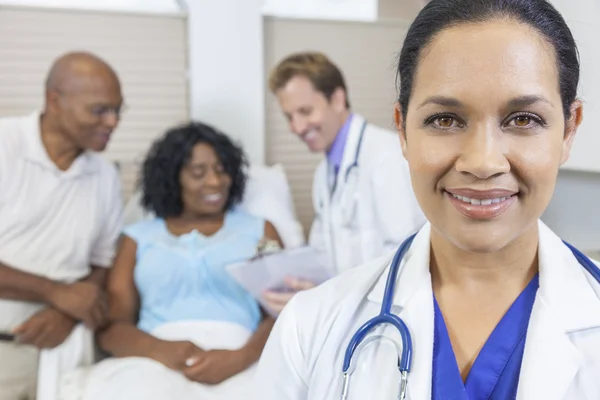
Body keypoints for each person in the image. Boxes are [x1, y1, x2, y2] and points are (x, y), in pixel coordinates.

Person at [252, 0, 600, 398]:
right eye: (445, 120)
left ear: (569, 130)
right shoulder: (307, 329)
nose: (483, 162)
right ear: (402, 130)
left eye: (523, 119)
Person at [79, 122, 283, 400]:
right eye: (198, 172)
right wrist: (161, 350)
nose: (215, 181)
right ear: (171, 178)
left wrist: (241, 357)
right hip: (154, 360)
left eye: (222, 170)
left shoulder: (261, 232)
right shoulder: (137, 239)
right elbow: (112, 329)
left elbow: (284, 313)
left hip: (243, 357)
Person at [0, 52, 124, 400]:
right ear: (54, 101)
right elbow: (64, 291)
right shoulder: (4, 146)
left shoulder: (104, 177)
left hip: (67, 350)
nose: (113, 121)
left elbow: (101, 263)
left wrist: (67, 313)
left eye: (118, 109)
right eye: (99, 110)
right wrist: (54, 293)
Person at [263, 52, 426, 313]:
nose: (297, 127)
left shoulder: (387, 156)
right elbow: (324, 254)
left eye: (305, 111)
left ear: (337, 99)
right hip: (348, 310)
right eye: (289, 117)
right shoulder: (323, 174)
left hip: (388, 312)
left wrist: (334, 296)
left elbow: (405, 254)